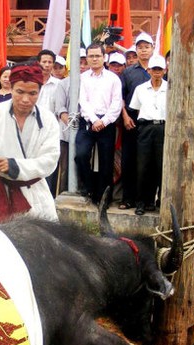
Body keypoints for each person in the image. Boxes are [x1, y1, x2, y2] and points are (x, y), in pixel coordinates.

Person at [0, 63, 60, 225]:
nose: (25, 99)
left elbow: (50, 160)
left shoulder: (48, 120)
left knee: (43, 244)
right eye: (20, 92)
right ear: (11, 88)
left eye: (32, 93)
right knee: (3, 243)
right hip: (0, 191)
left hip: (36, 193)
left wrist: (15, 166)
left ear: (40, 91)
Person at [76, 43, 122, 204]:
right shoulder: (82, 78)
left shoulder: (113, 79)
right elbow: (82, 101)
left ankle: (103, 197)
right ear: (86, 58)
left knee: (106, 161)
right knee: (81, 155)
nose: (94, 59)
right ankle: (89, 188)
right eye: (91, 56)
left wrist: (103, 121)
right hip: (88, 121)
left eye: (97, 56)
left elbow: (116, 104)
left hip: (107, 123)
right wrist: (94, 120)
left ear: (104, 57)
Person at [128, 55, 168, 216]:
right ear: (148, 70)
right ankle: (141, 202)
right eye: (154, 69)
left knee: (161, 166)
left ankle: (158, 202)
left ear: (164, 71)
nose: (157, 72)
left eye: (160, 69)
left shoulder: (170, 87)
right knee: (143, 166)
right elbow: (136, 108)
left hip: (163, 128)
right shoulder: (140, 89)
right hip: (145, 128)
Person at [119, 32, 154, 210]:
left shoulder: (160, 70)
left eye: (146, 47)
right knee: (129, 160)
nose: (143, 51)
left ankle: (148, 200)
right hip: (132, 119)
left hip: (152, 121)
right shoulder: (128, 72)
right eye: (140, 47)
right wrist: (125, 116)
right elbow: (121, 97)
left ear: (152, 49)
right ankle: (128, 199)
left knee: (149, 162)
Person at [53, 49, 90, 196]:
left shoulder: (91, 82)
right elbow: (60, 107)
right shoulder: (63, 84)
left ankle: (85, 191)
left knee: (83, 161)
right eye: (79, 63)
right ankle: (62, 194)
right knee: (65, 167)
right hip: (67, 131)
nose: (82, 66)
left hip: (87, 130)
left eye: (84, 63)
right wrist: (69, 121)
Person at [36, 49, 60, 114]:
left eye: (50, 62)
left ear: (53, 64)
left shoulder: (59, 84)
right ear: (38, 63)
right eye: (44, 62)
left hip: (52, 122)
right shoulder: (31, 82)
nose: (47, 65)